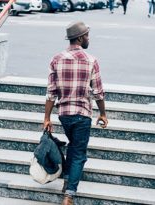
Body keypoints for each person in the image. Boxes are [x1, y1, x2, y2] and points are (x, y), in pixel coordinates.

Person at [43, 21, 108, 205]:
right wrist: (102, 114)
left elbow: (51, 92)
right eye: (87, 35)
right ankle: (69, 195)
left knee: (73, 146)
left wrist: (47, 118)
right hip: (82, 114)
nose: (88, 38)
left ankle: (67, 181)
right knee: (79, 153)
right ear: (80, 38)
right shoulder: (91, 60)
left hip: (64, 114)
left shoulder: (56, 59)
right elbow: (98, 92)